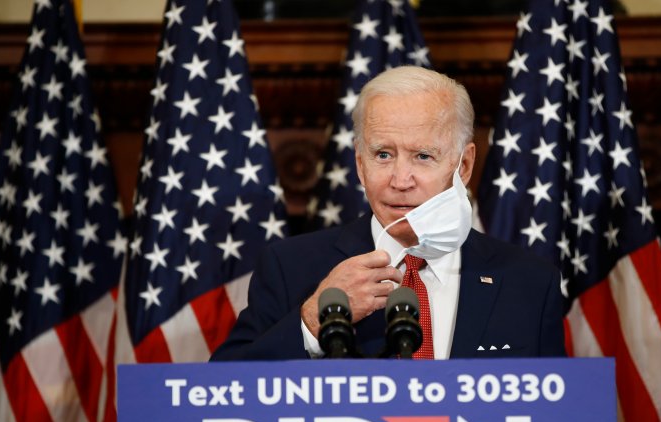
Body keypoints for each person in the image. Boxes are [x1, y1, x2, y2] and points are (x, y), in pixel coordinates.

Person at [211, 66, 564, 361]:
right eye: (383, 155)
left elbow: (555, 416)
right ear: (360, 164)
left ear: (464, 165)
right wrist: (312, 323)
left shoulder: (528, 282)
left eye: (423, 156)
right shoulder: (290, 267)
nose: (400, 180)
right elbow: (221, 392)